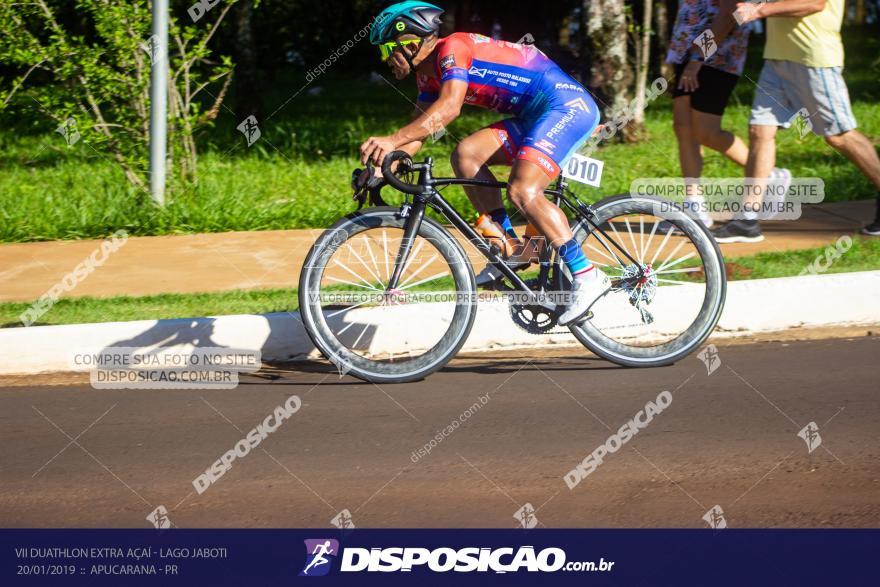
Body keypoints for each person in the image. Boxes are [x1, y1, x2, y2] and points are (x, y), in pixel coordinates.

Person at [360, 1, 608, 325]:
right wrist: (384, 165)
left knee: (523, 191)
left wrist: (390, 140)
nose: (386, 60)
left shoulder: (453, 48)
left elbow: (448, 110)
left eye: (387, 51)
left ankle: (587, 274)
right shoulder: (427, 77)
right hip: (536, 116)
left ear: (409, 42)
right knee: (465, 155)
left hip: (566, 107)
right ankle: (511, 250)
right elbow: (423, 128)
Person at [714, 0, 880, 242]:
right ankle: (746, 219)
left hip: (813, 58)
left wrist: (759, 11)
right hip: (777, 59)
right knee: (760, 130)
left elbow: (815, 3)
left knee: (838, 135)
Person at [665, 0, 789, 233]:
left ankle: (768, 176)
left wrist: (697, 59)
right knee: (683, 127)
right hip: (686, 51)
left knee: (705, 132)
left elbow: (730, 13)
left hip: (717, 58)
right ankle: (694, 205)